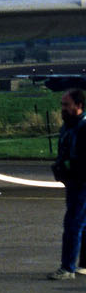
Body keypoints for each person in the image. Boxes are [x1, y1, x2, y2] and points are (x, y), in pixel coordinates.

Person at [49, 88, 86, 280]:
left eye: (66, 105)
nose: (63, 109)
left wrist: (68, 167)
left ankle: (67, 267)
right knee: (82, 224)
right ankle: (83, 264)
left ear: (78, 106)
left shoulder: (83, 128)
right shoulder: (68, 127)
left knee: (73, 223)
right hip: (73, 182)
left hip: (82, 183)